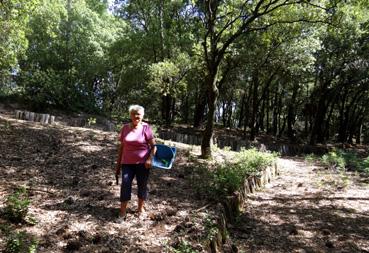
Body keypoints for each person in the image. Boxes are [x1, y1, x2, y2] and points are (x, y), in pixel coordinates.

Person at [115, 105, 156, 219]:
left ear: (142, 116)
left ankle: (140, 209)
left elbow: (154, 146)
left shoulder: (146, 128)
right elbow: (122, 148)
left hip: (143, 163)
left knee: (142, 185)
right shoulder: (125, 128)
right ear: (130, 115)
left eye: (138, 114)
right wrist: (118, 166)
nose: (136, 116)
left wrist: (149, 159)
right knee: (125, 185)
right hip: (127, 163)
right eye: (133, 113)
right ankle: (123, 211)